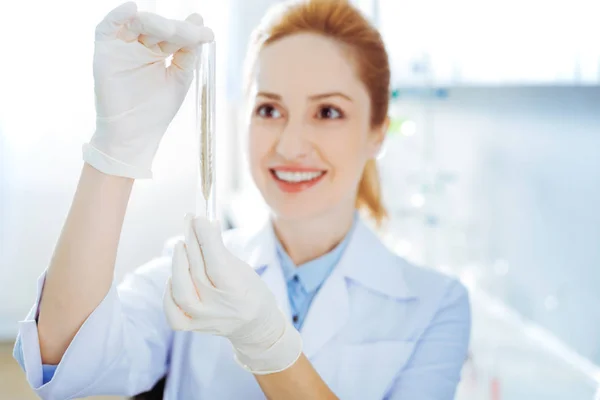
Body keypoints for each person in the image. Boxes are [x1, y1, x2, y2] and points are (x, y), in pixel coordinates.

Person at [13, 0, 472, 399]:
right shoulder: (191, 268)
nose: (291, 146)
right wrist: (116, 149)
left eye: (328, 112)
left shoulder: (437, 306)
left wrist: (266, 343)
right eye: (269, 109)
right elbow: (63, 355)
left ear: (377, 130)